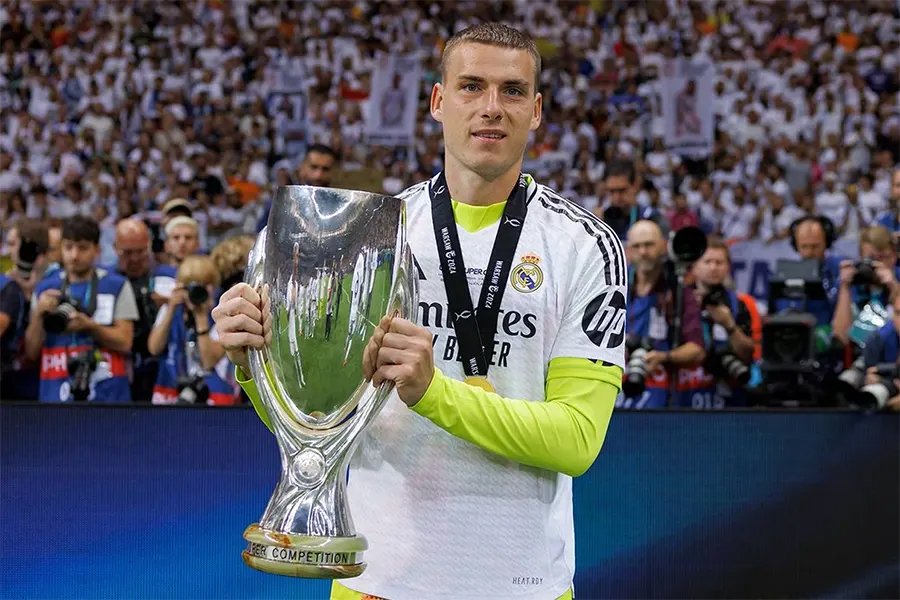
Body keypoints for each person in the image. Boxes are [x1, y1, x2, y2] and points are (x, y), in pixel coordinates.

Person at [213, 23, 627, 600]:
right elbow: (321, 419)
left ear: (535, 111)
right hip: (377, 581)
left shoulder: (584, 245)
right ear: (438, 101)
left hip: (520, 586)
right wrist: (254, 365)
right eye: (471, 86)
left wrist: (432, 391)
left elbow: (577, 441)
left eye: (512, 91)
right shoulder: (370, 232)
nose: (491, 107)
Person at [24, 215, 139, 403]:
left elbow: (125, 342)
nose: (74, 255)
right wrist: (38, 315)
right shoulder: (45, 288)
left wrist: (91, 327)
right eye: (68, 247)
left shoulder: (116, 285)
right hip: (56, 392)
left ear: (97, 250)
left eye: (83, 248)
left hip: (107, 392)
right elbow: (31, 352)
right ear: (61, 248)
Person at [621, 219, 705, 408]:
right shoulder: (616, 287)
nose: (643, 252)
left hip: (663, 396)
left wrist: (664, 357)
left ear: (663, 245)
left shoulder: (678, 291)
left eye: (649, 244)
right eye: (637, 246)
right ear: (628, 251)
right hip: (619, 391)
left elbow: (697, 350)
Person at [147, 255, 235, 405]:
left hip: (211, 395)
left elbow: (209, 362)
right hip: (171, 390)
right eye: (191, 286)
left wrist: (201, 317)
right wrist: (171, 309)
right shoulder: (170, 309)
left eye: (204, 285)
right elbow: (154, 348)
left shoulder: (222, 313)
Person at [690, 238, 761, 408]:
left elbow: (751, 355)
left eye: (719, 262)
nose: (713, 267)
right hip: (688, 391)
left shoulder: (743, 303)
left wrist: (729, 325)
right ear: (694, 267)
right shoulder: (679, 301)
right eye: (707, 261)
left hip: (732, 391)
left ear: (728, 267)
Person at [114, 218, 177, 402]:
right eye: (127, 252)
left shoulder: (169, 277)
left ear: (149, 246)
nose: (134, 258)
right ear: (115, 248)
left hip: (161, 367)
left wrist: (169, 306)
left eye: (140, 251)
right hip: (122, 365)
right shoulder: (106, 282)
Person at [0, 218, 49, 401]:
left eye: (14, 244)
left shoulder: (53, 283)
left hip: (39, 381)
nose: (9, 252)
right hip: (12, 379)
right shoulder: (9, 285)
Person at [256, 144, 339, 232]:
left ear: (334, 171)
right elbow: (261, 234)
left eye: (325, 169)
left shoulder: (339, 206)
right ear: (302, 167)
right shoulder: (281, 202)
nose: (318, 175)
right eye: (313, 167)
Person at [599, 160, 668, 240]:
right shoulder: (601, 220)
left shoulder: (652, 217)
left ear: (635, 185)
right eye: (611, 191)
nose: (616, 197)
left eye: (622, 190)